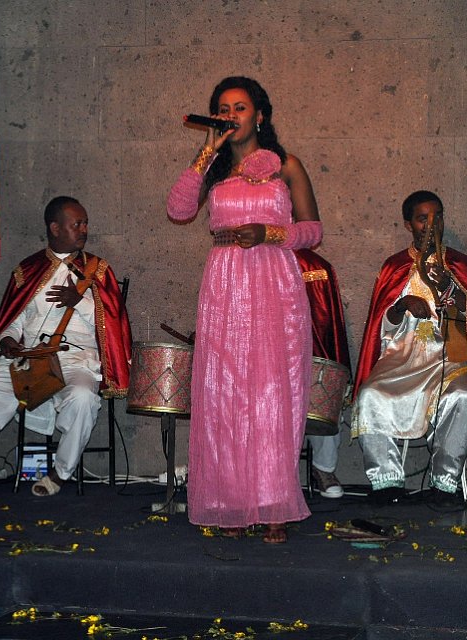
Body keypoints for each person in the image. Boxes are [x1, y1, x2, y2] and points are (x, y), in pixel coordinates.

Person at [167, 76, 322, 543]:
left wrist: (269, 233)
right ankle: (230, 503)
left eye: (239, 107)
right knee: (225, 391)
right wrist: (205, 153)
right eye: (223, 108)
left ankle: (274, 505)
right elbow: (178, 210)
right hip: (224, 284)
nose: (231, 115)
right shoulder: (213, 168)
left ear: (260, 116)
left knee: (273, 391)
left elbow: (313, 231)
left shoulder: (286, 165)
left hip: (274, 282)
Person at [0, 196, 132, 504]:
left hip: (76, 360)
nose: (84, 230)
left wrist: (80, 302)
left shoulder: (98, 271)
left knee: (83, 398)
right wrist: (8, 341)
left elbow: (114, 327)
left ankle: (60, 473)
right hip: (32, 361)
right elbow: (14, 322)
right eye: (77, 224)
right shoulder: (28, 270)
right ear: (55, 228)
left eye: (85, 224)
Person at [351, 190, 467, 505]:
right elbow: (381, 325)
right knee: (370, 395)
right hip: (402, 357)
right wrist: (402, 304)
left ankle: (444, 483)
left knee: (461, 397)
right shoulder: (394, 266)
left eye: (438, 217)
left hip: (449, 357)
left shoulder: (461, 264)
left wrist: (449, 289)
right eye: (422, 219)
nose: (432, 225)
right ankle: (386, 481)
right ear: (409, 224)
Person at [295, 248, 351, 499]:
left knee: (324, 387)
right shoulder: (249, 259)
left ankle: (323, 468)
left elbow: (326, 322)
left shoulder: (315, 267)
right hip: (262, 355)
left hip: (308, 353)